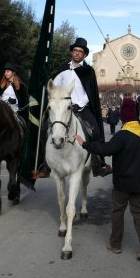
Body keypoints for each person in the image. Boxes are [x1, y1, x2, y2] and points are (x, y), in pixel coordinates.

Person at [73, 99, 140, 260]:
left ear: (123, 117)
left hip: (123, 183)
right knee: (139, 212)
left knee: (117, 211)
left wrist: (85, 144)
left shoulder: (122, 135)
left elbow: (106, 149)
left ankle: (115, 244)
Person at [52, 37, 109, 177]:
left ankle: (99, 163)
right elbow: (55, 87)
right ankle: (44, 163)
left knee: (95, 131)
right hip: (63, 108)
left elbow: (89, 93)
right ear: (72, 52)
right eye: (75, 50)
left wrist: (79, 104)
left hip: (82, 108)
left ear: (84, 55)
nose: (77, 53)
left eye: (80, 51)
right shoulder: (63, 69)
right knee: (46, 127)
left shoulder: (88, 71)